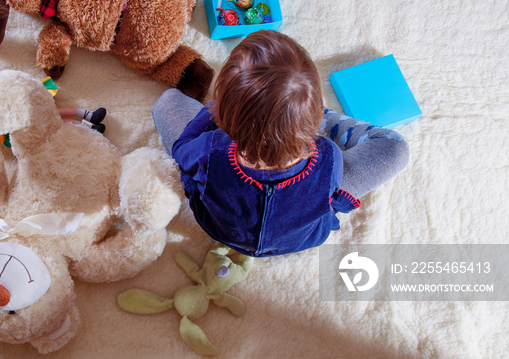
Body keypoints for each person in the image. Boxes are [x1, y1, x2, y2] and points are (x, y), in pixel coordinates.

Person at [152, 30, 409, 257]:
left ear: (225, 115)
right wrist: (300, 116)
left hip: (222, 229)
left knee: (167, 101)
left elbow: (180, 148)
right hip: (304, 235)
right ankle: (308, 118)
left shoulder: (211, 148)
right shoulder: (328, 155)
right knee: (396, 149)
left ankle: (278, 115)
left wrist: (213, 109)